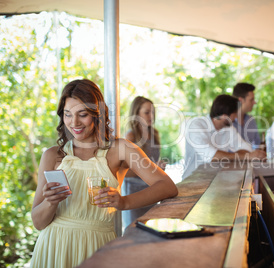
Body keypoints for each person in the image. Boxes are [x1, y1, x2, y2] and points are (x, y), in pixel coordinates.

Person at [30, 79, 178, 268]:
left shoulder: (121, 149)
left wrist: (124, 202)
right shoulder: (52, 155)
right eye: (67, 115)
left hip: (98, 248)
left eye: (82, 114)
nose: (74, 122)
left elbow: (167, 186)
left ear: (97, 114)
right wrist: (50, 202)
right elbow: (38, 222)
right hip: (53, 248)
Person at [182, 94, 266, 179]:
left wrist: (246, 155)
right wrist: (245, 156)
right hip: (191, 182)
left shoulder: (228, 128)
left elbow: (247, 149)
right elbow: (212, 156)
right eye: (235, 114)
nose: (236, 117)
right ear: (224, 116)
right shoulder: (195, 125)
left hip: (215, 181)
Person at [122, 96, 166, 230]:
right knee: (134, 231)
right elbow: (124, 172)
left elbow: (152, 164)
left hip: (152, 191)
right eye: (147, 112)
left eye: (153, 112)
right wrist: (152, 167)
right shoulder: (131, 137)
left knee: (151, 231)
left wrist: (159, 167)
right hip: (134, 194)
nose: (151, 116)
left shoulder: (155, 134)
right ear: (136, 114)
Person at [231, 82, 261, 148]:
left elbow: (257, 145)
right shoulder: (227, 122)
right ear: (241, 100)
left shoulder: (251, 120)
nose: (254, 102)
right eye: (251, 100)